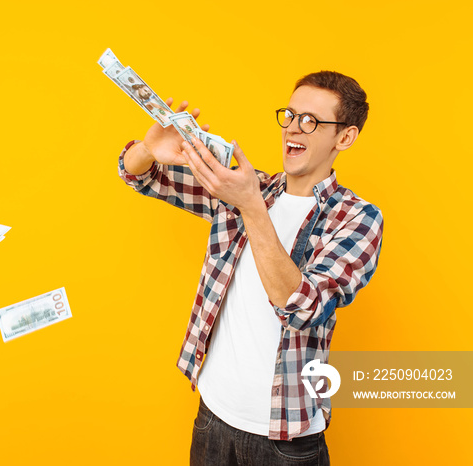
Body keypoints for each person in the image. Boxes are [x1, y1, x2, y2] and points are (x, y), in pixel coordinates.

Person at [118, 71, 383, 465]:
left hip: (285, 440)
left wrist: (250, 206)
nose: (294, 128)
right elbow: (139, 175)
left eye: (311, 121)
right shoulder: (245, 188)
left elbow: (302, 307)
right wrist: (148, 149)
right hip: (212, 417)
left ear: (344, 137)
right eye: (290, 115)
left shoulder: (357, 219)